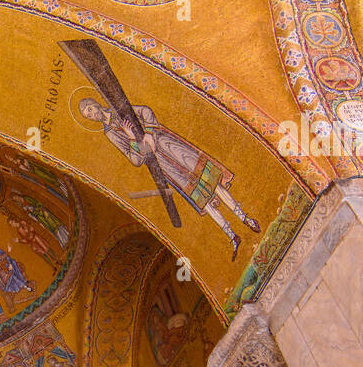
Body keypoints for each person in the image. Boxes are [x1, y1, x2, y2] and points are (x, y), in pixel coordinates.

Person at [79, 95, 258, 258]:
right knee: (200, 197)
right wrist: (132, 138)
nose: (92, 116)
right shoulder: (109, 133)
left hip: (168, 145)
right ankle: (232, 235)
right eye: (88, 116)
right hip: (161, 164)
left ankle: (244, 218)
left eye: (90, 110)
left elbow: (145, 111)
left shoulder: (116, 107)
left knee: (209, 178)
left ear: (95, 104)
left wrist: (148, 133)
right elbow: (134, 160)